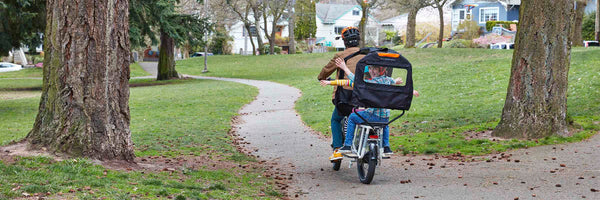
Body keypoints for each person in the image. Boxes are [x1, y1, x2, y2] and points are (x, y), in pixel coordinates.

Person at [320, 58, 420, 156]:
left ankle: (347, 145)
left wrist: (344, 67)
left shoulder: (370, 82)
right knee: (385, 125)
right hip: (384, 118)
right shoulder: (388, 80)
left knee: (352, 117)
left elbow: (354, 80)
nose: (372, 71)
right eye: (371, 68)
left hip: (371, 115)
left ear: (381, 70)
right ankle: (386, 147)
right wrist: (409, 90)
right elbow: (399, 90)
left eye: (375, 69)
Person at [317, 26, 363, 161]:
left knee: (336, 120)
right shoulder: (367, 54)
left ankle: (337, 149)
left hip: (345, 96)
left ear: (344, 42)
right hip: (364, 95)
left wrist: (321, 77)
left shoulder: (340, 56)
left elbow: (326, 70)